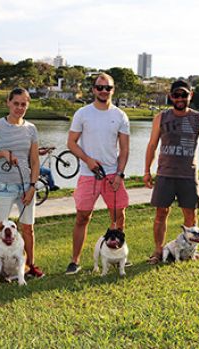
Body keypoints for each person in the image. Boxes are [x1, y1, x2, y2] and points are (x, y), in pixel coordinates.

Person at [143, 79, 199, 264]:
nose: (180, 98)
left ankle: (190, 252)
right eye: (176, 95)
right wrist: (147, 171)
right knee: (161, 213)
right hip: (165, 174)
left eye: (184, 94)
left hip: (188, 175)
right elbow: (152, 146)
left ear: (190, 95)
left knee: (191, 215)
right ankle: (158, 252)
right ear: (171, 97)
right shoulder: (161, 117)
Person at [65, 73, 130, 275]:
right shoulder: (82, 114)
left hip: (112, 175)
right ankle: (75, 261)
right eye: (99, 87)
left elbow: (125, 149)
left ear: (113, 90)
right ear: (93, 89)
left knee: (118, 216)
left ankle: (118, 255)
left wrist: (120, 174)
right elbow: (71, 143)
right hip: (88, 174)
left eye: (107, 88)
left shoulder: (120, 115)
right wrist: (89, 161)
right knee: (83, 217)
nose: (103, 91)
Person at [0, 87, 44, 278]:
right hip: (4, 186)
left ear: (28, 105)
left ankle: (30, 266)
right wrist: (3, 153)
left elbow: (34, 161)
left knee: (28, 229)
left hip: (26, 187)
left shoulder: (31, 129)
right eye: (16, 103)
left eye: (23, 104)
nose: (19, 107)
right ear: (8, 103)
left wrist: (33, 187)